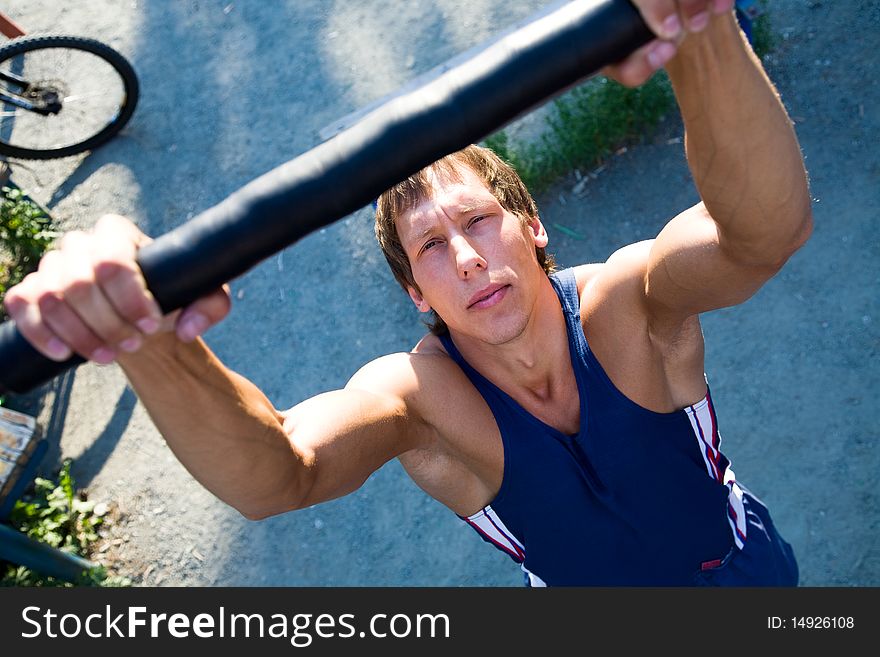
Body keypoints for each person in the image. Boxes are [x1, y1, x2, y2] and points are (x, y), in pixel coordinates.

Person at [4, 1, 811, 586]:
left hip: (747, 580)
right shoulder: (421, 401)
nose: (464, 256)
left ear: (531, 226)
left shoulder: (624, 307)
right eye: (430, 245)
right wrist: (142, 331)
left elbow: (759, 235)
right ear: (416, 293)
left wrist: (699, 27)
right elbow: (277, 475)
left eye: (479, 222)